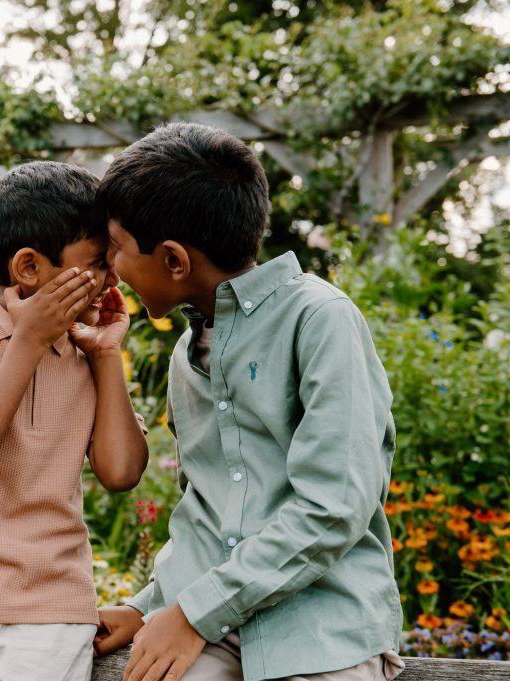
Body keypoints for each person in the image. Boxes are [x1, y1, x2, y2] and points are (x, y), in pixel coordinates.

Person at [92, 123, 404, 681]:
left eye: (115, 246)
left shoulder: (320, 319)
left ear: (174, 260)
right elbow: (211, 511)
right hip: (210, 627)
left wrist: (193, 612)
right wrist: (149, 607)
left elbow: (334, 506)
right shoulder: (188, 352)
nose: (108, 263)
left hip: (319, 630)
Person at [0, 160, 150, 681]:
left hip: (53, 604)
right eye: (98, 264)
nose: (113, 279)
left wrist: (107, 358)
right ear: (29, 269)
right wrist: (30, 342)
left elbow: (121, 473)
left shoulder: (87, 353)